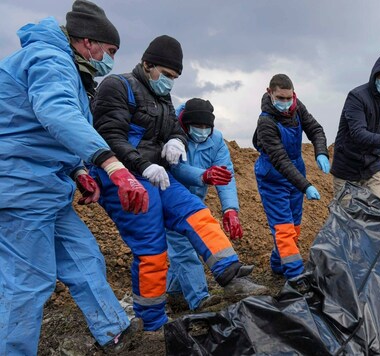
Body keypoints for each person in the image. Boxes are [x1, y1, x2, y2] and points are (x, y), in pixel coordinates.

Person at [0, 1, 148, 354]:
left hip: (46, 186)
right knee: (29, 281)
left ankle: (113, 330)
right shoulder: (50, 59)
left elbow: (41, 130)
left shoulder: (66, 67)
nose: (109, 59)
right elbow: (56, 113)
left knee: (83, 256)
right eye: (109, 51)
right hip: (19, 186)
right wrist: (111, 165)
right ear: (88, 42)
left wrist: (79, 170)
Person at [91, 35, 267, 332]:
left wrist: (175, 140)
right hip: (123, 176)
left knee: (197, 213)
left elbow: (175, 128)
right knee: (153, 250)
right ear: (147, 65)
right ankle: (153, 323)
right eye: (168, 75)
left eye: (175, 77)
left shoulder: (162, 98)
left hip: (157, 174)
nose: (170, 82)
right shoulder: (116, 86)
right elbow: (109, 136)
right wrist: (143, 165)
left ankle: (232, 276)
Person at [166, 98, 244, 311]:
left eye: (206, 127)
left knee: (185, 245)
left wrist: (230, 209)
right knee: (183, 249)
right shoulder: (172, 134)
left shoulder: (216, 140)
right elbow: (174, 168)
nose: (201, 131)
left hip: (194, 201)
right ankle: (200, 300)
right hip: (171, 199)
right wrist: (203, 176)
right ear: (185, 123)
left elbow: (225, 175)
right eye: (197, 127)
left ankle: (174, 293)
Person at [253, 74, 329, 288]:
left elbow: (315, 129)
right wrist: (305, 185)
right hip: (273, 176)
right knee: (284, 228)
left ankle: (278, 264)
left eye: (289, 98)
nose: (285, 103)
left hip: (296, 170)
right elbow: (280, 159)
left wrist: (321, 151)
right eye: (280, 98)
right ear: (270, 92)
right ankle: (296, 277)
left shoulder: (297, 107)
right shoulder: (266, 121)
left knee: (294, 226)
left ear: (293, 95)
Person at [330, 52, 380, 199]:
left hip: (373, 166)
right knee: (347, 218)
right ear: (375, 75)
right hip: (348, 166)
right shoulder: (356, 97)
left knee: (376, 214)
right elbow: (358, 133)